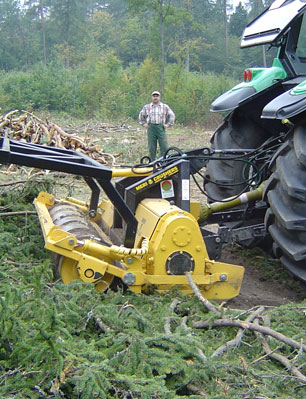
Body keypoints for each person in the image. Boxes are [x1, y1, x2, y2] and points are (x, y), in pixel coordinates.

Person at [138, 90, 175, 161]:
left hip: (161, 128)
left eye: (157, 96)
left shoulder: (164, 107)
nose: (155, 97)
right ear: (152, 97)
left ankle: (164, 162)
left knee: (164, 147)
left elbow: (172, 115)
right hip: (151, 129)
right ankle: (153, 164)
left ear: (159, 97)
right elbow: (140, 116)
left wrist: (168, 124)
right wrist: (144, 124)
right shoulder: (147, 107)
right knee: (152, 148)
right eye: (154, 96)